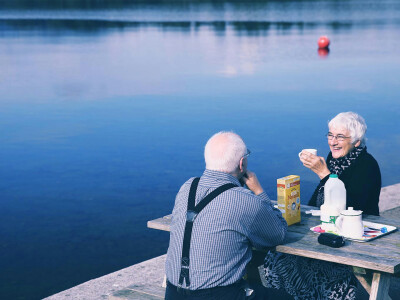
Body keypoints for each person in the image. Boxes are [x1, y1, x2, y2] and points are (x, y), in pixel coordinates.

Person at [263, 112, 381, 300]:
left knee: (310, 267)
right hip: (326, 229)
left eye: (340, 137)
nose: (333, 142)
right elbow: (321, 198)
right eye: (330, 135)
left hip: (352, 237)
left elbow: (351, 209)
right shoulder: (336, 159)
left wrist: (324, 174)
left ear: (357, 142)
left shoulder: (367, 166)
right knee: (275, 255)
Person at [165, 131, 288, 300]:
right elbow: (277, 235)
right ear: (242, 163)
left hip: (173, 293)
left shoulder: (187, 187)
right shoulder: (244, 199)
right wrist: (259, 192)